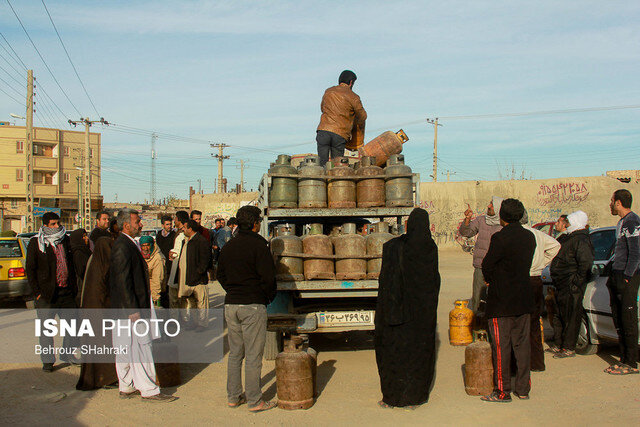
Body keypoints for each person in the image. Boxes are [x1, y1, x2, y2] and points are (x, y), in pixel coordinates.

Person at [375, 208, 440, 409]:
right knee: (419, 353)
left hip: (395, 312)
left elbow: (385, 280)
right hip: (421, 314)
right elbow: (433, 281)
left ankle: (392, 398)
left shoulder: (393, 247)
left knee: (393, 353)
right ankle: (416, 397)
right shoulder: (430, 248)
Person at [110, 209, 176, 402]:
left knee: (124, 348)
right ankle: (149, 390)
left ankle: (127, 385)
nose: (141, 224)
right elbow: (122, 280)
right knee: (141, 347)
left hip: (126, 308)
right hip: (131, 308)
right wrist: (132, 309)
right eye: (138, 222)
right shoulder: (123, 246)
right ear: (126, 225)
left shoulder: (127, 244)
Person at [217, 205, 277, 412]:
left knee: (235, 354)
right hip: (252, 305)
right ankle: (255, 400)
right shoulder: (259, 246)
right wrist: (266, 297)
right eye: (259, 221)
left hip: (231, 305)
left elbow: (220, 275)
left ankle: (233, 397)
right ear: (254, 224)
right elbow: (269, 278)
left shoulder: (229, 246)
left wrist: (233, 290)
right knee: (253, 356)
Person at [481, 198, 536, 402]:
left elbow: (487, 266)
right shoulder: (529, 237)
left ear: (501, 216)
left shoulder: (500, 238)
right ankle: (523, 388)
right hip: (523, 298)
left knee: (501, 347)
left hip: (501, 301)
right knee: (522, 346)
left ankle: (502, 391)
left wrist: (491, 279)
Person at [26, 212, 79, 372]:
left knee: (73, 326)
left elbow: (72, 264)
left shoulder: (65, 240)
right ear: (45, 226)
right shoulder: (37, 242)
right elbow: (31, 269)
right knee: (46, 331)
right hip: (47, 295)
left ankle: (66, 353)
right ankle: (48, 361)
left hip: (66, 293)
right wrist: (37, 293)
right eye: (53, 224)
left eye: (58, 223)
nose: (57, 227)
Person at [549, 210, 594, 359]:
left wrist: (576, 283)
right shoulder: (570, 238)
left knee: (571, 317)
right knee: (559, 315)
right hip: (562, 284)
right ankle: (559, 344)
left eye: (568, 222)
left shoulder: (581, 239)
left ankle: (568, 347)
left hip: (571, 285)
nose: (566, 225)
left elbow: (585, 264)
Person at [76, 233, 118, 391]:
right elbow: (105, 290)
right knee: (104, 344)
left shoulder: (94, 261)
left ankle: (94, 378)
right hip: (100, 312)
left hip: (91, 311)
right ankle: (106, 378)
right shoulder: (103, 264)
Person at [605, 189, 640, 375]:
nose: (610, 204)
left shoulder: (633, 221)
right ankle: (624, 358)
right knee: (619, 318)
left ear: (618, 202)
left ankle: (631, 363)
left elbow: (635, 253)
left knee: (628, 320)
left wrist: (627, 276)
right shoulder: (621, 222)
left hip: (628, 276)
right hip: (618, 275)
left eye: (611, 201)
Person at [520, 210, 560, 371]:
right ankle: (536, 363)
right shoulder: (537, 234)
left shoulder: (519, 234)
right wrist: (543, 263)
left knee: (519, 323)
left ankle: (521, 363)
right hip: (536, 278)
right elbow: (556, 246)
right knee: (535, 322)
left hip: (523, 279)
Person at [458, 197, 504, 313]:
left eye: (492, 204)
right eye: (489, 203)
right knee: (477, 299)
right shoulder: (481, 220)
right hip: (480, 266)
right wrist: (467, 220)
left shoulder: (503, 224)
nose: (489, 206)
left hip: (497, 268)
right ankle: (476, 325)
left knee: (495, 299)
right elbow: (466, 232)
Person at [316, 70, 367, 166]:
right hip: (339, 135)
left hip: (323, 131)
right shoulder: (353, 96)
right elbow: (363, 116)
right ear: (351, 82)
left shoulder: (328, 91)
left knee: (322, 165)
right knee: (337, 167)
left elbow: (322, 108)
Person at [176, 220, 211, 331]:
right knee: (191, 302)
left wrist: (199, 272)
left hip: (198, 278)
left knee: (201, 302)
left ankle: (202, 324)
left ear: (190, 229)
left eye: (185, 227)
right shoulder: (187, 241)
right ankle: (195, 322)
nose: (183, 229)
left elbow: (205, 260)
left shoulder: (201, 241)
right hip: (188, 277)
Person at [167, 210, 189, 310]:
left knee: (176, 299)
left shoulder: (182, 235)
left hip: (178, 270)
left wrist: (172, 253)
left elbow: (179, 253)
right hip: (178, 269)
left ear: (179, 220)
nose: (174, 221)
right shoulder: (180, 233)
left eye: (175, 218)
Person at [155, 215, 175, 308]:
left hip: (171, 265)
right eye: (167, 224)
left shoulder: (174, 235)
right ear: (163, 225)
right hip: (161, 265)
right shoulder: (159, 235)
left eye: (170, 224)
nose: (169, 226)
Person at [140, 235, 166, 308]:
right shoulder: (140, 255)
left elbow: (157, 280)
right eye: (143, 246)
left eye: (147, 245)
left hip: (153, 294)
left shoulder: (157, 258)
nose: (145, 248)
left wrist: (155, 298)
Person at [70, 228, 92, 304]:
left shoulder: (85, 250)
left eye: (86, 236)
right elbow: (81, 271)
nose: (86, 238)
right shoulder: (78, 252)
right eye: (83, 236)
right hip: (81, 288)